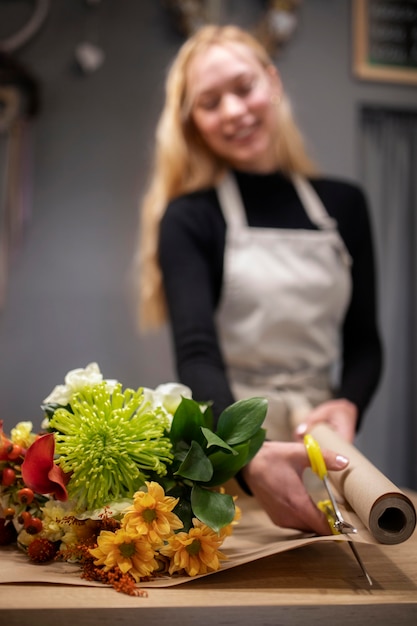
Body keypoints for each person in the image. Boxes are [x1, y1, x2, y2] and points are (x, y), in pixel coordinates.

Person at [136, 24, 382, 535]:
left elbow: (364, 343)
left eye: (243, 88)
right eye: (209, 102)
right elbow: (197, 353)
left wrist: (349, 400)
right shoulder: (189, 218)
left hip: (319, 447)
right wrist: (247, 456)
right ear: (194, 123)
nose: (233, 111)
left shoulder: (345, 205)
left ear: (272, 82)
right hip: (224, 456)